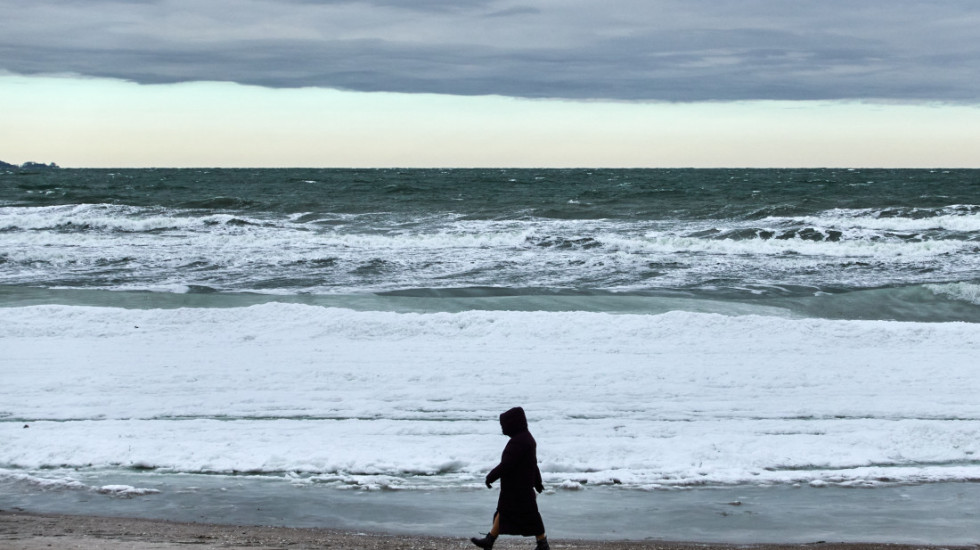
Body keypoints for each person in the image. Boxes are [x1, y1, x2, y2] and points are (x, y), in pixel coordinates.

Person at [471, 406, 549, 550]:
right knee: (503, 511)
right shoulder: (527, 438)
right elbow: (533, 464)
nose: (503, 428)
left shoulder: (518, 442)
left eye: (504, 425)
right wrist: (537, 481)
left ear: (513, 424)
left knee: (531, 516)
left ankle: (543, 544)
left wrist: (490, 477)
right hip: (518, 487)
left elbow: (506, 465)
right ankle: (489, 540)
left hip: (518, 488)